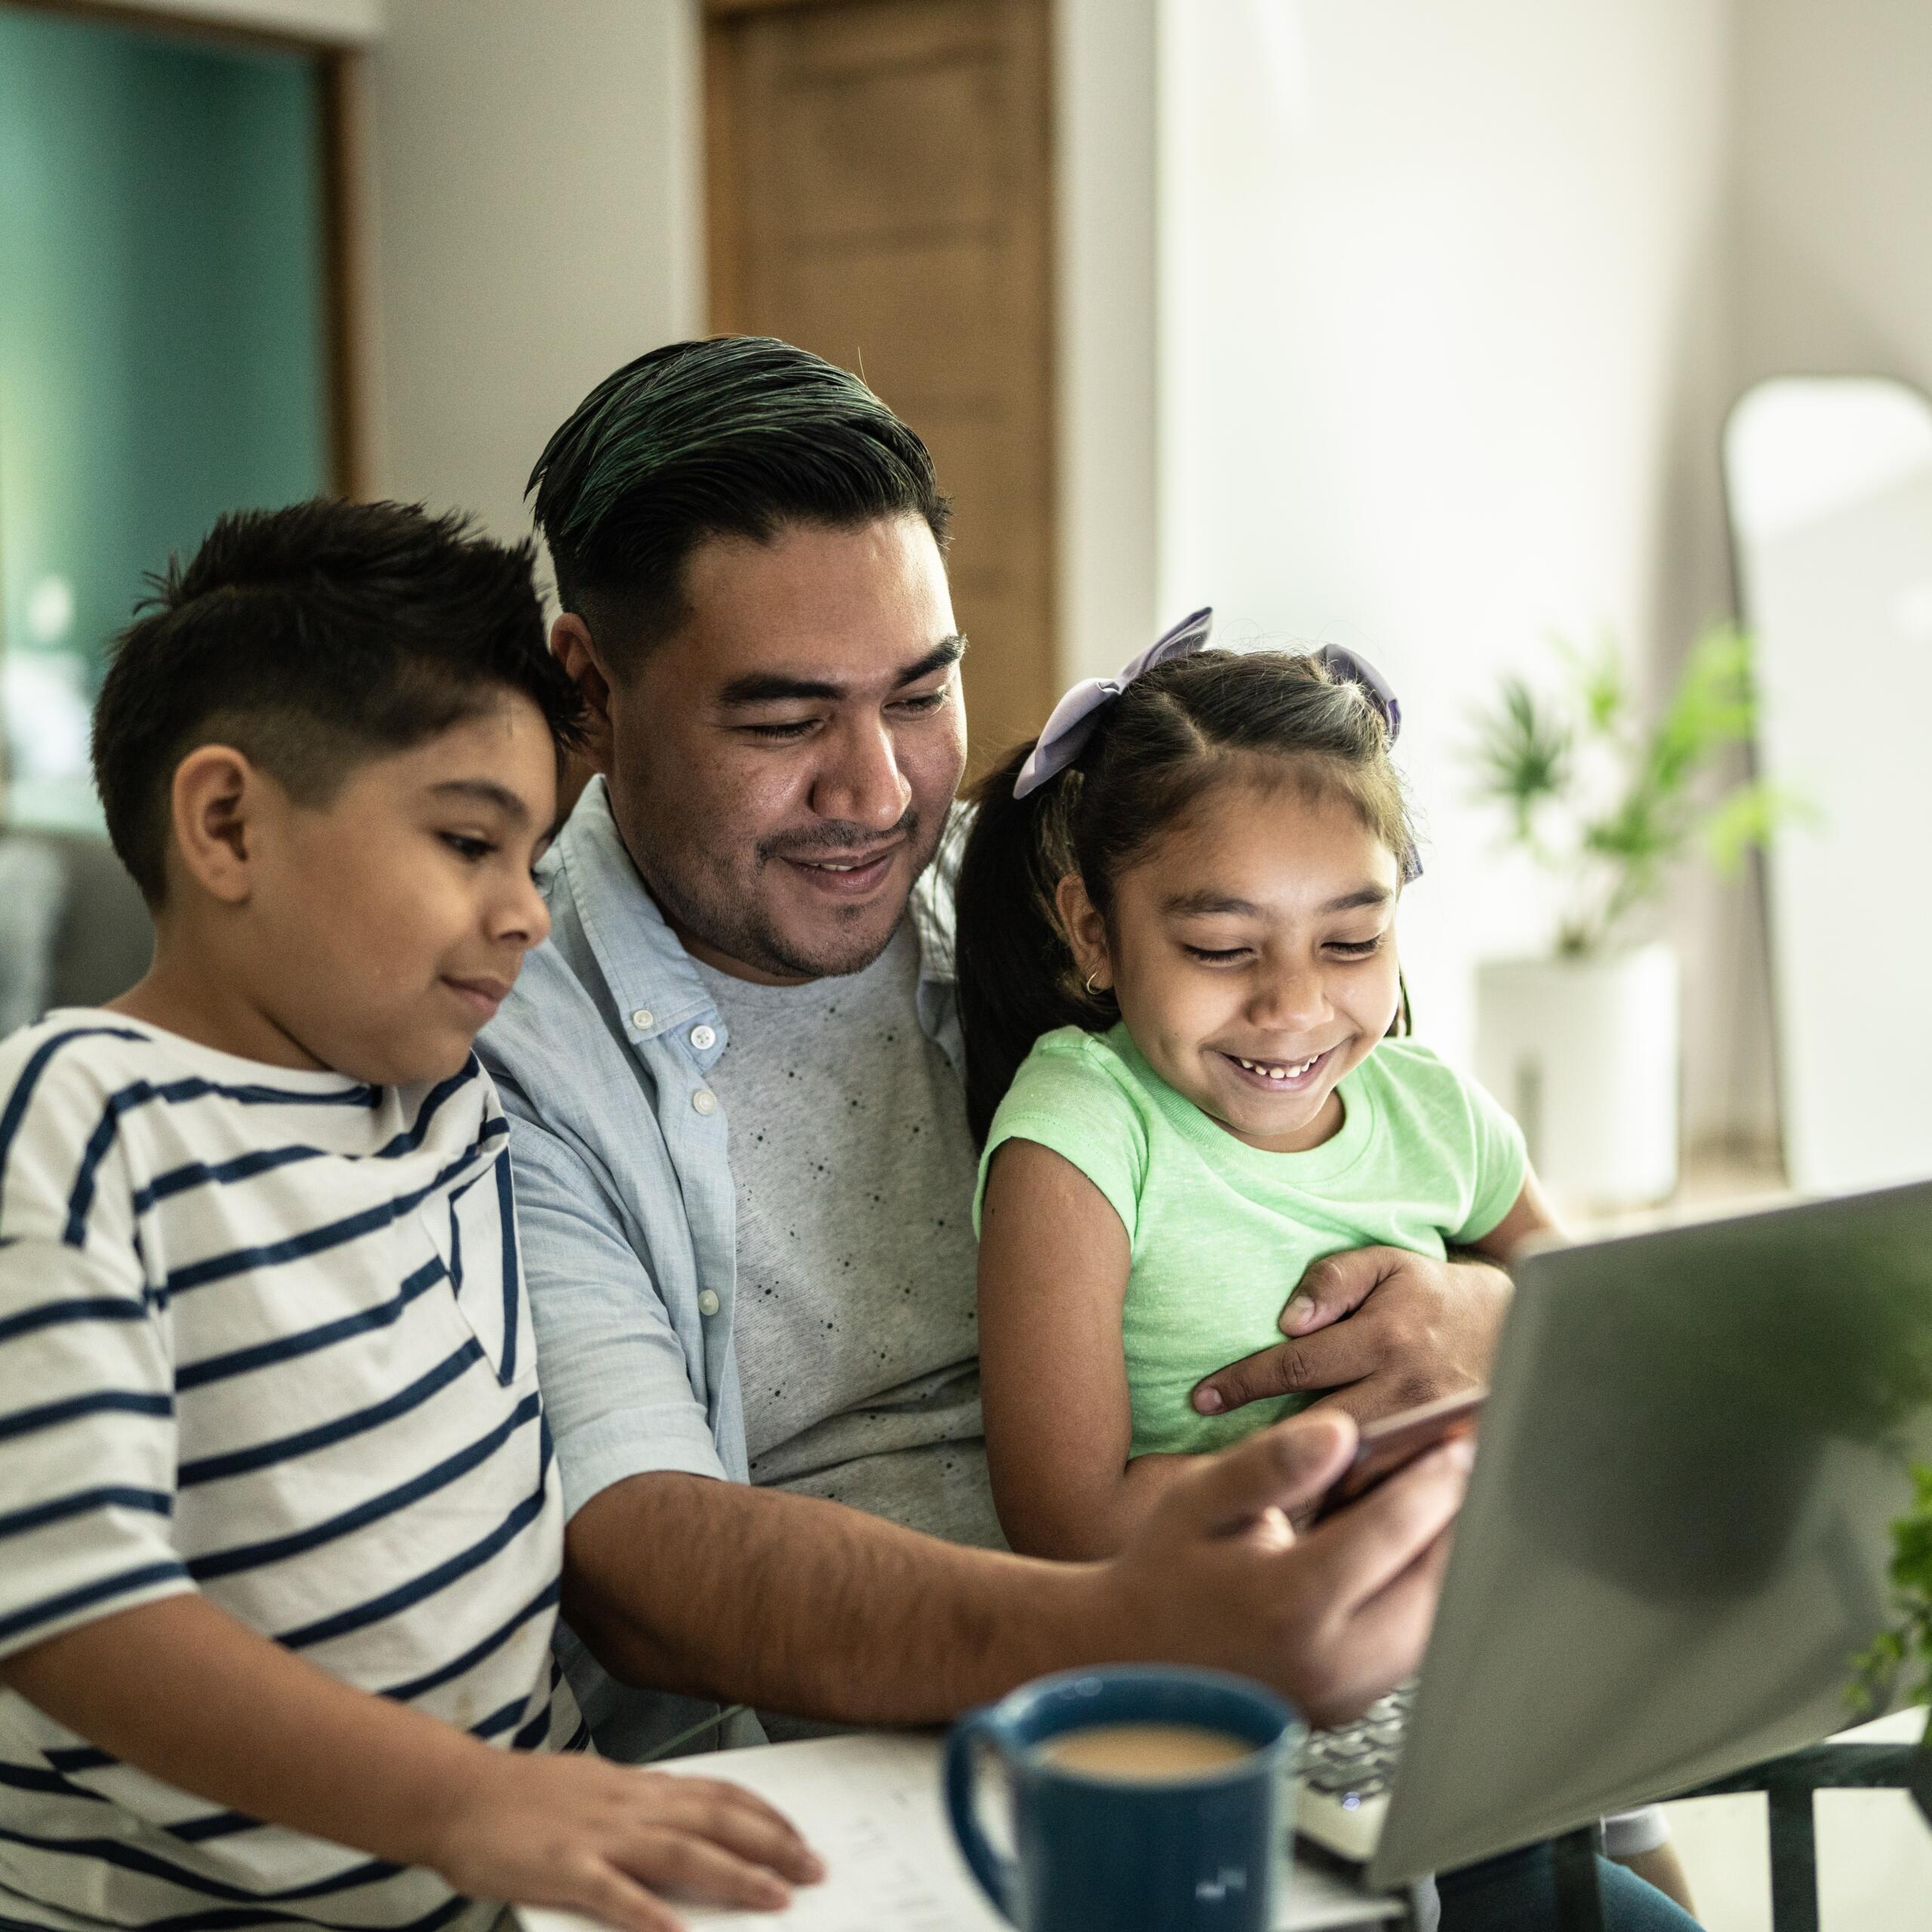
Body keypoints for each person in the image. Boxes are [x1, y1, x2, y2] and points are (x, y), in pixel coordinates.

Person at [479, 335, 1494, 1767]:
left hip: (1273, 1644)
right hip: (887, 1765)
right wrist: (1140, 1631)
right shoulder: (508, 1047)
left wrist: (1482, 1317)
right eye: (783, 719)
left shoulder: (1043, 900)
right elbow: (646, 1568)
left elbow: (1381, 1152)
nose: (877, 792)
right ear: (588, 687)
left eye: (918, 696)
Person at [0, 501, 821, 1932]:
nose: (528, 913)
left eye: (533, 855)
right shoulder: (79, 1120)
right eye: (466, 842)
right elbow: (75, 1614)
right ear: (226, 823)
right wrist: (468, 1806)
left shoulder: (442, 1109)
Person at [955, 634, 1698, 1922]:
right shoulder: (1081, 1130)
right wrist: (1355, 1464)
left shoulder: (1431, 1109)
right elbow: (1067, 1525)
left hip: (1476, 1656)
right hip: (1241, 1684)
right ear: (1094, 929)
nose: (1295, 1009)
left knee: (1647, 1862)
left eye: (1352, 941)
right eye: (1225, 948)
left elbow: (1605, 1350)